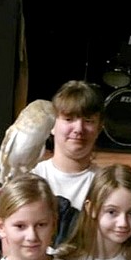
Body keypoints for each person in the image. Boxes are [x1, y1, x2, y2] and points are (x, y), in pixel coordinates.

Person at [31, 80, 105, 245]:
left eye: (88, 120)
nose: (79, 129)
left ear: (99, 128)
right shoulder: (31, 178)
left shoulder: (106, 184)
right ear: (52, 124)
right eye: (69, 119)